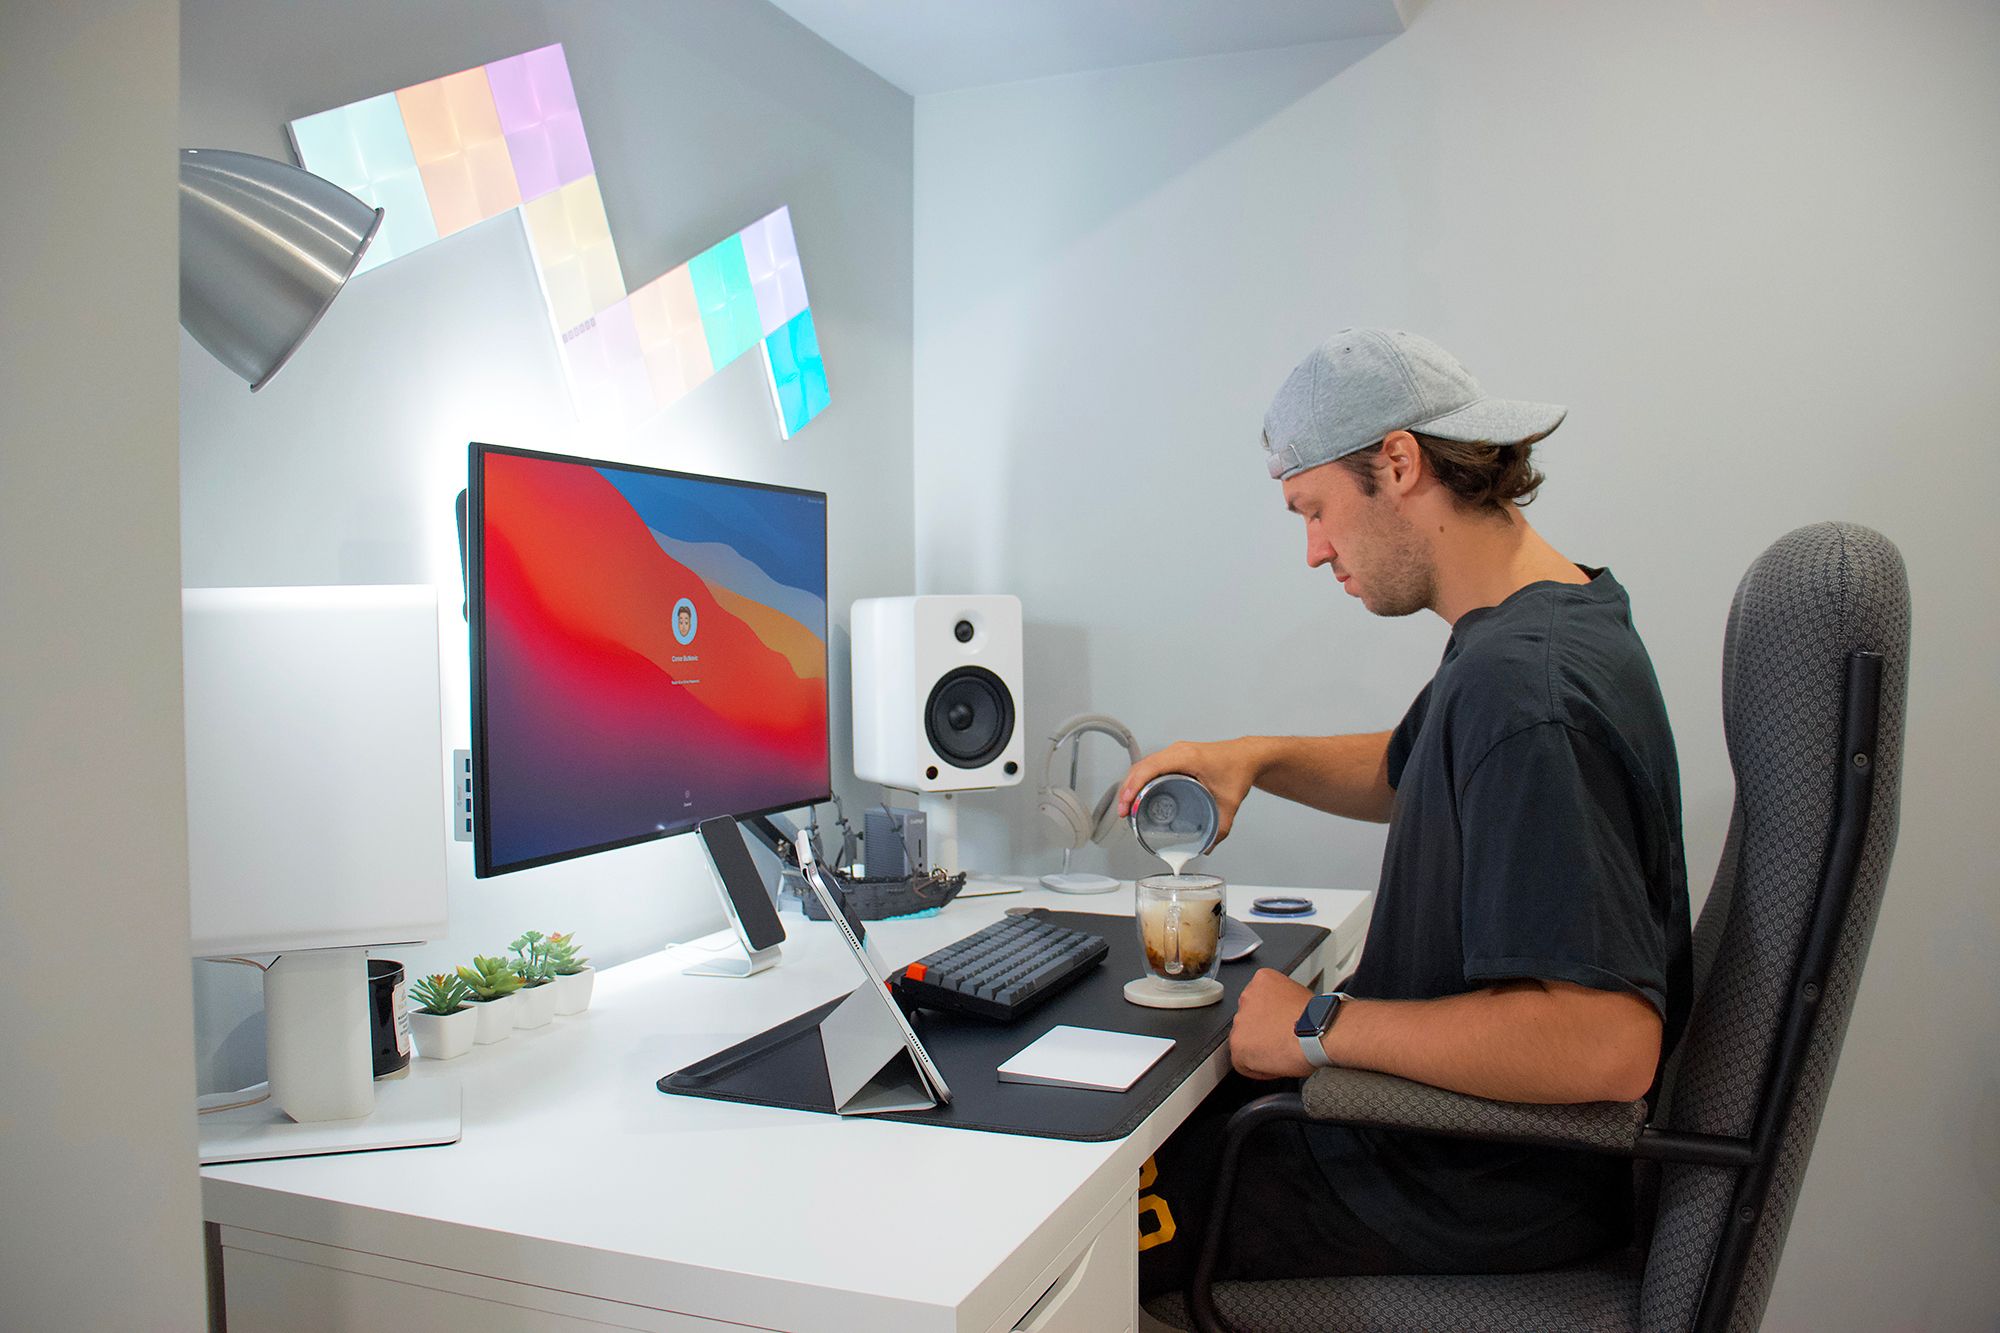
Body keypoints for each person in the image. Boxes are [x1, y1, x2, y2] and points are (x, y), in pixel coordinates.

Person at [1121, 328, 1692, 1298]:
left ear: (1396, 462)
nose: (1310, 552)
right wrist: (1251, 758)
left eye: (1313, 511)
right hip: (1447, 1149)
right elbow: (1408, 770)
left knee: (1077, 1213)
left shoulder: (1525, 690)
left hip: (1452, 1185)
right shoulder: (1549, 619)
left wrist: (1317, 1025)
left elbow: (1605, 1043)